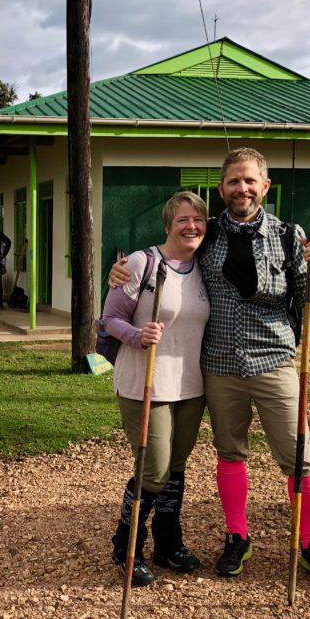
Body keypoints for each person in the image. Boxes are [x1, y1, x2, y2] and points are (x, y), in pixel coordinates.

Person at [109, 147, 310, 588]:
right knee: (229, 453)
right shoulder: (207, 233)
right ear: (221, 189)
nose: (242, 189)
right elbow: (166, 257)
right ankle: (237, 537)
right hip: (217, 366)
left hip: (274, 360)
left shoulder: (289, 236)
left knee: (299, 456)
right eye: (234, 181)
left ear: (265, 186)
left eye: (250, 181)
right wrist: (119, 273)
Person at [102, 191, 211, 586]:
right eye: (182, 219)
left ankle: (169, 543)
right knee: (154, 468)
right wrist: (137, 334)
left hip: (191, 386)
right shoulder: (140, 263)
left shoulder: (206, 266)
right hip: (143, 382)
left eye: (198, 219)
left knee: (176, 469)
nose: (191, 226)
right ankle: (127, 544)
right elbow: (109, 317)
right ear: (168, 224)